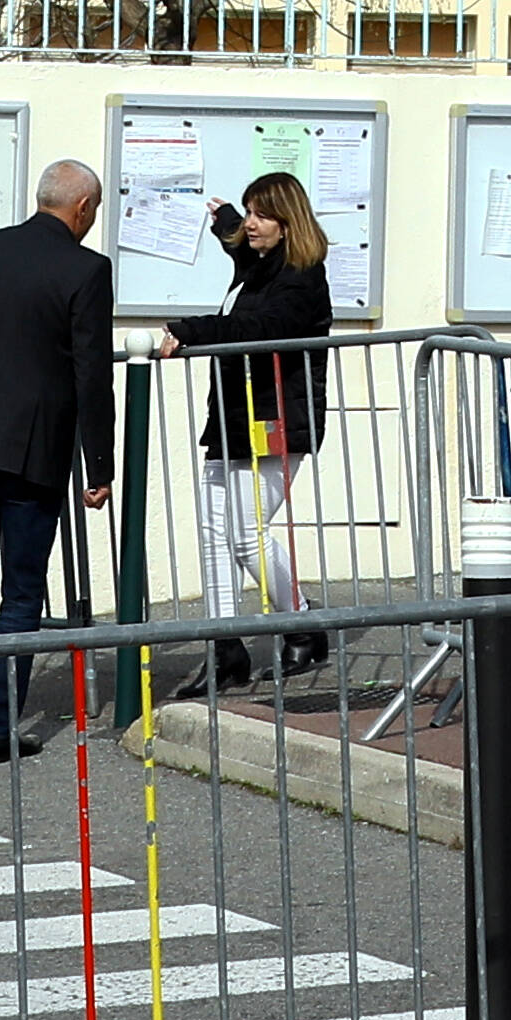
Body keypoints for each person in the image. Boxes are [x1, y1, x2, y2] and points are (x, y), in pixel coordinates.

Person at [0, 159, 119, 761]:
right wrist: (99, 466)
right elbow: (92, 374)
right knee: (21, 591)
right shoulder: (86, 269)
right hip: (34, 447)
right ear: (83, 208)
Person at [151, 171, 339, 690]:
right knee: (215, 535)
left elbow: (259, 328)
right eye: (250, 213)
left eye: (260, 215)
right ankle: (224, 648)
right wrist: (228, 223)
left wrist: (190, 330)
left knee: (245, 534)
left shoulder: (302, 279)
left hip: (276, 420)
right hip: (232, 418)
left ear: (287, 223)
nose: (251, 224)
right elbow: (247, 259)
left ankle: (304, 624)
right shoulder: (263, 264)